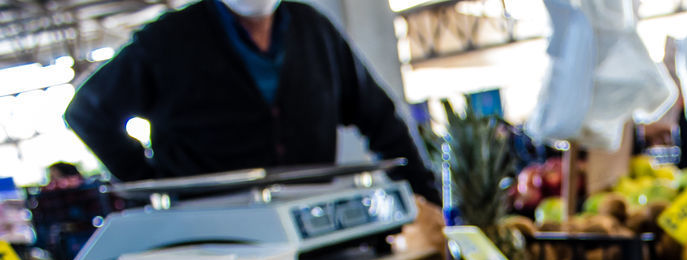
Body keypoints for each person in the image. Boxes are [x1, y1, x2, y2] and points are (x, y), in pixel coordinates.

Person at [64, 0, 438, 205]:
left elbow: (381, 118)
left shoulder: (313, 29)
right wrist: (150, 182)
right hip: (210, 235)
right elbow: (87, 112)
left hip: (312, 218)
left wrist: (426, 196)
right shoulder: (168, 40)